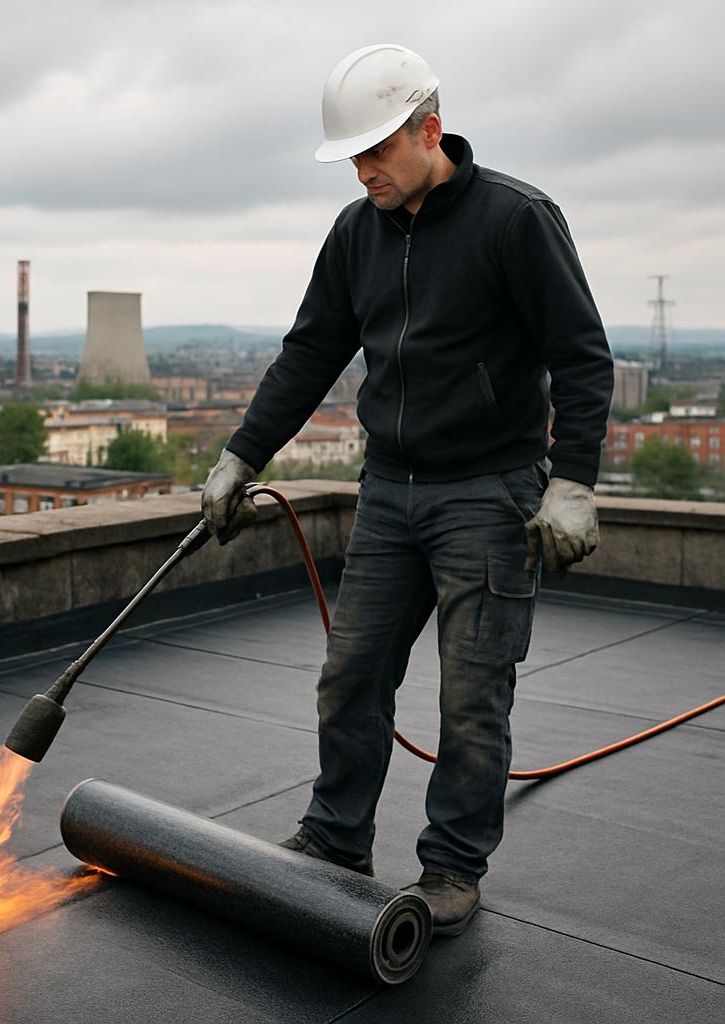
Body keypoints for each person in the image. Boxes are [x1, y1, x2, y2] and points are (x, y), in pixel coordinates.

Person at [201, 44, 613, 936]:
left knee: (472, 697)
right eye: (352, 156)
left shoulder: (516, 219)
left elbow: (582, 357)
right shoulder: (357, 232)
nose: (362, 171)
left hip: (491, 497)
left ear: (431, 129)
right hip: (388, 492)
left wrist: (573, 480)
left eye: (377, 150)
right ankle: (335, 838)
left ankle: (453, 869)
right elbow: (311, 351)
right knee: (350, 678)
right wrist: (242, 455)